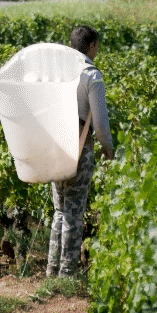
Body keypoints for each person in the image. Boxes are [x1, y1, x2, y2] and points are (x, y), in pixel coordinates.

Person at [46, 24, 114, 278]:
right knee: (74, 213)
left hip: (55, 147)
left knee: (60, 211)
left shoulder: (57, 73)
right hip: (79, 149)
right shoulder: (91, 75)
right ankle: (67, 273)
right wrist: (107, 148)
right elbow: (101, 122)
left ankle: (52, 270)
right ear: (92, 46)